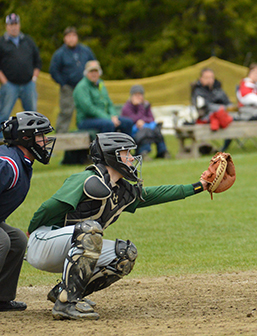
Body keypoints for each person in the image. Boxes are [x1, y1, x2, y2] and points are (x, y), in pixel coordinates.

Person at [26, 132, 212, 320]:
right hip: (43, 242)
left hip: (71, 248)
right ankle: (66, 305)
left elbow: (155, 194)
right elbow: (49, 207)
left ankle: (64, 292)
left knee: (125, 255)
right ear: (112, 156)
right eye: (126, 153)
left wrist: (200, 186)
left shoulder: (120, 190)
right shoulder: (87, 179)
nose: (131, 158)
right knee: (91, 230)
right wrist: (30, 231)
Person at [0, 112, 55, 312]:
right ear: (26, 138)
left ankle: (1, 298)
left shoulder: (20, 161)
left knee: (17, 240)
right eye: (41, 136)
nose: (46, 140)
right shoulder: (8, 164)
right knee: (2, 240)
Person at [49, 27, 97, 133]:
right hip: (69, 88)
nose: (71, 39)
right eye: (68, 36)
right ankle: (61, 136)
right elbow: (53, 71)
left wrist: (93, 81)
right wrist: (63, 83)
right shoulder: (60, 54)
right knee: (66, 111)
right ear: (64, 39)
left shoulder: (85, 50)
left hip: (85, 87)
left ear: (77, 38)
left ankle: (90, 133)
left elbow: (94, 65)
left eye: (73, 36)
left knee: (88, 110)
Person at [0, 14, 42, 126]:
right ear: (6, 26)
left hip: (28, 84)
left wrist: (34, 79)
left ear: (19, 25)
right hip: (10, 85)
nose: (14, 27)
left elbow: (37, 61)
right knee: (4, 113)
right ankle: (1, 137)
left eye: (16, 24)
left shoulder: (28, 41)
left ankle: (32, 136)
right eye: (11, 24)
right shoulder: (2, 43)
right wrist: (5, 82)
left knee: (32, 114)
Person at [73, 60, 134, 136]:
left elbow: (109, 103)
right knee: (108, 124)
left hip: (104, 118)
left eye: (96, 71)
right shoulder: (81, 87)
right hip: (86, 120)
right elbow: (89, 109)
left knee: (128, 123)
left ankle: (125, 147)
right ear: (86, 73)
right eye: (91, 71)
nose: (94, 74)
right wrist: (109, 118)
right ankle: (106, 147)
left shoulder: (100, 83)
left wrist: (114, 115)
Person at [120, 85, 169, 159]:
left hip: (146, 128)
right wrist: (140, 107)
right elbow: (133, 119)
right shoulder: (127, 107)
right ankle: (143, 152)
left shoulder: (146, 105)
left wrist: (143, 121)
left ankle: (162, 151)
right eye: (136, 95)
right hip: (132, 132)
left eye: (140, 95)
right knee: (145, 131)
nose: (138, 97)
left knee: (156, 128)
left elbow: (151, 118)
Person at [191, 68, 234, 151]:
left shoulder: (218, 90)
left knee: (233, 117)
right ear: (201, 79)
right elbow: (204, 106)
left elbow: (228, 102)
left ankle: (224, 148)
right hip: (206, 117)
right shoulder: (198, 91)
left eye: (211, 77)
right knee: (221, 117)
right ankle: (205, 146)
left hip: (224, 115)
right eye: (206, 78)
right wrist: (220, 109)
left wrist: (229, 108)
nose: (209, 80)